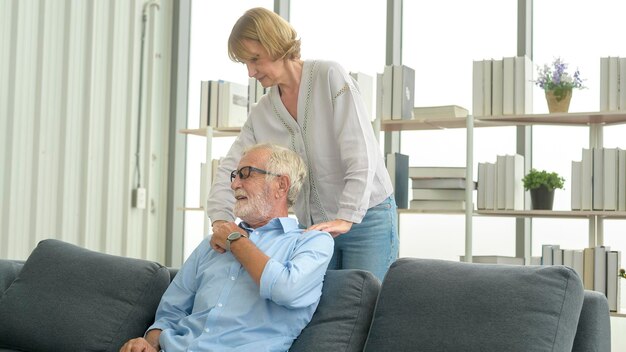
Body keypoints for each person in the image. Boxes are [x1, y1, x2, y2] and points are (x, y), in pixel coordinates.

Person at [206, 7, 398, 282]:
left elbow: (360, 151)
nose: (250, 72)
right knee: (323, 315)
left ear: (274, 44)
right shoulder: (263, 111)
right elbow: (232, 167)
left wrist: (347, 216)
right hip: (315, 231)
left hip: (368, 218)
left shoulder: (330, 76)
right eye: (245, 63)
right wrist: (221, 220)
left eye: (255, 59)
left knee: (368, 309)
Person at [120, 143, 334, 352]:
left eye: (246, 173)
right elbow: (171, 311)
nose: (234, 185)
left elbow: (285, 289)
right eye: (235, 176)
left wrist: (235, 240)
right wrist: (149, 343)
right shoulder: (211, 244)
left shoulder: (313, 242)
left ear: (281, 185)